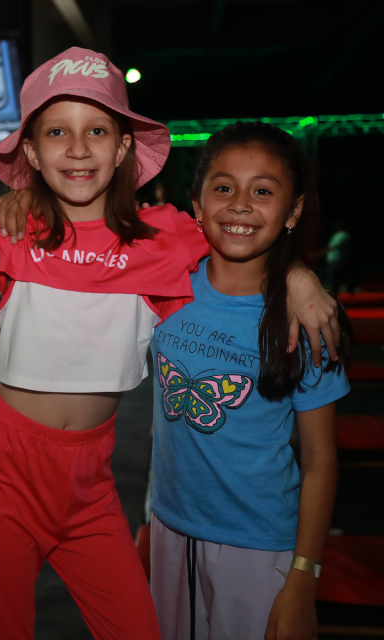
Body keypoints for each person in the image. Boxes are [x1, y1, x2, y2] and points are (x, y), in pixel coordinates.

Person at [0, 48, 341, 640]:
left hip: (93, 484)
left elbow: (242, 235)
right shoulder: (3, 229)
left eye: (96, 131)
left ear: (123, 147)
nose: (78, 149)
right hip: (3, 473)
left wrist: (299, 278)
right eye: (57, 132)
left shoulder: (166, 238)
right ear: (31, 151)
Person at [149, 122, 352, 640]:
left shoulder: (305, 320)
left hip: (258, 546)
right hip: (169, 531)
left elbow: (321, 459)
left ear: (294, 211)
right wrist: (150, 518)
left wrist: (304, 576)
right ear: (196, 204)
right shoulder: (164, 286)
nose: (240, 204)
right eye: (223, 187)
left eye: (263, 191)